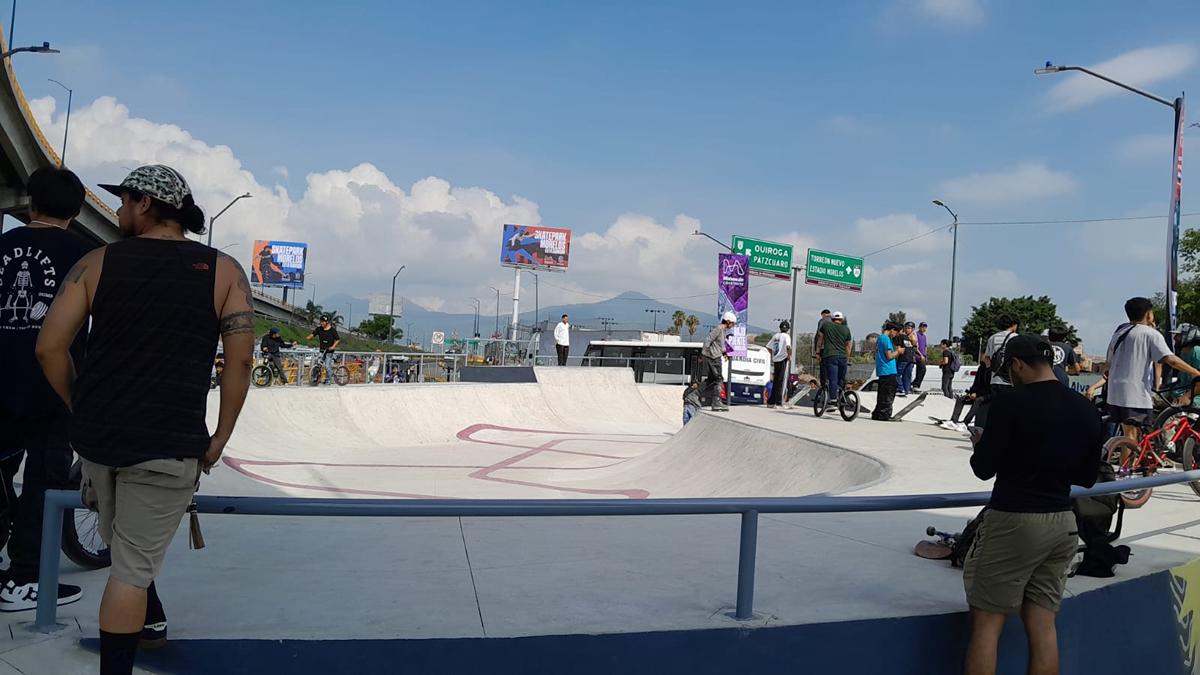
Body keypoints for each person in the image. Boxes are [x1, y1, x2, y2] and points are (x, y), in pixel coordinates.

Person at [36, 164, 255, 673]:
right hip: (168, 444)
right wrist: (220, 436)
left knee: (123, 556)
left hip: (98, 441)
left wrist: (79, 406)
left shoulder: (97, 263)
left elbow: (50, 348)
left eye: (123, 200)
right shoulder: (223, 272)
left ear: (146, 205)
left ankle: (151, 621)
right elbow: (239, 363)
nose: (116, 209)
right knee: (130, 574)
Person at [963, 334, 1104, 675]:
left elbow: (983, 469)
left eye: (1009, 368)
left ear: (1018, 364)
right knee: (1042, 627)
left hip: (1015, 520)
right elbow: (1087, 477)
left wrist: (981, 442)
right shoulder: (1085, 408)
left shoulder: (1010, 403)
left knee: (987, 627)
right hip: (1062, 523)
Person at [0, 167, 94, 611]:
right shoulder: (86, 256)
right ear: (76, 212)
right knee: (44, 479)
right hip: (54, 386)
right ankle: (23, 581)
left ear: (29, 204)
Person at [1105, 297, 1200, 444]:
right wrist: (1195, 372)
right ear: (1149, 314)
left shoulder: (1119, 333)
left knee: (1129, 433)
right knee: (1131, 436)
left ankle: (1130, 463)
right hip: (1134, 393)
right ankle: (1129, 466)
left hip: (1114, 392)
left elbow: (1108, 364)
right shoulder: (1151, 334)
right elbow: (1171, 360)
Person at [702, 312, 737, 412]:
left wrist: (725, 353)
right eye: (732, 323)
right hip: (714, 358)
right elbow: (708, 340)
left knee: (711, 379)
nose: (733, 326)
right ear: (728, 321)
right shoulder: (719, 329)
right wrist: (706, 354)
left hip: (716, 356)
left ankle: (696, 394)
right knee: (719, 379)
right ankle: (716, 402)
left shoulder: (722, 330)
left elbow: (719, 346)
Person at [815, 311, 852, 400]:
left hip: (830, 356)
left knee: (832, 379)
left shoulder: (826, 326)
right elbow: (848, 345)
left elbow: (820, 340)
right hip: (842, 356)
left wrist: (817, 353)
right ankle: (842, 396)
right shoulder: (846, 329)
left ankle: (833, 400)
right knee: (841, 379)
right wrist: (848, 356)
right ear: (842, 319)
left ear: (832, 319)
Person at [871, 322, 902, 421]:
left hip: (882, 370)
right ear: (892, 330)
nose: (895, 335)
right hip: (888, 370)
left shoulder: (880, 338)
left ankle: (877, 413)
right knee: (888, 394)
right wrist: (898, 351)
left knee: (882, 394)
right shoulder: (886, 339)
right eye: (896, 332)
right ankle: (884, 414)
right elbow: (889, 356)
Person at [765, 320, 792, 408]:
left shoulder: (776, 336)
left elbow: (768, 346)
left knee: (776, 381)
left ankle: (771, 401)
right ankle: (779, 402)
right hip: (783, 359)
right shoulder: (786, 336)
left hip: (776, 360)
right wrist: (789, 355)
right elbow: (788, 346)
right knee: (782, 381)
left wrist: (773, 354)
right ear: (788, 329)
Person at [307, 315, 341, 384]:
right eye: (321, 322)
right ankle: (315, 378)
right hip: (322, 350)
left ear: (327, 322)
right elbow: (313, 334)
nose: (321, 323)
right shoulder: (319, 329)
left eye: (323, 322)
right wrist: (309, 337)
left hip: (329, 351)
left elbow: (337, 339)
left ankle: (329, 379)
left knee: (327, 366)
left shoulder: (332, 330)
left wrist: (333, 346)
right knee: (318, 363)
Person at [896, 322, 918, 396]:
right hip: (910, 359)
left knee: (897, 374)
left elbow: (898, 348)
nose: (907, 329)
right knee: (907, 375)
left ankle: (901, 389)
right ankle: (906, 390)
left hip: (904, 359)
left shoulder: (903, 337)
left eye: (909, 328)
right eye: (906, 328)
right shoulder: (908, 338)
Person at [814, 309, 831, 386]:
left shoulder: (822, 321)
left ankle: (824, 385)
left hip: (823, 348)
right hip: (835, 349)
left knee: (823, 367)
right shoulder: (837, 322)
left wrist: (817, 351)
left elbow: (819, 335)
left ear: (822, 314)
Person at [913, 322, 929, 390]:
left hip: (923, 356)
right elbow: (915, 346)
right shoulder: (916, 334)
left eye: (925, 327)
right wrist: (921, 355)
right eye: (922, 327)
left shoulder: (924, 336)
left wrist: (925, 355)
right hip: (917, 355)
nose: (924, 328)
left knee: (922, 370)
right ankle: (916, 385)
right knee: (922, 369)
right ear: (919, 327)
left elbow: (925, 346)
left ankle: (915, 384)